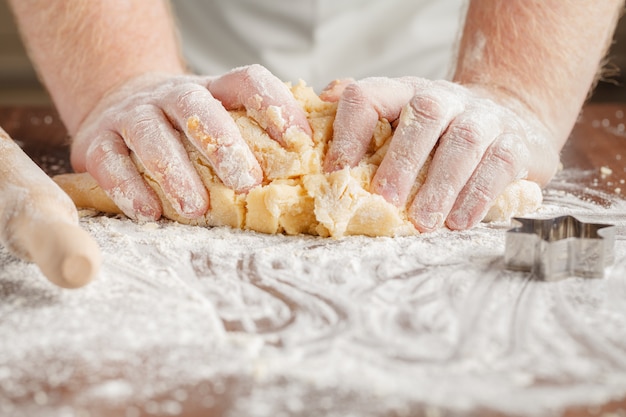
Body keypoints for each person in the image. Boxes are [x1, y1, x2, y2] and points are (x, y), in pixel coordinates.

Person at [7, 0, 624, 233]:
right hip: (181, 42)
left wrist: (515, 90)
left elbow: (515, 90)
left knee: (459, 138)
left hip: (446, 54)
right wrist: (121, 79)